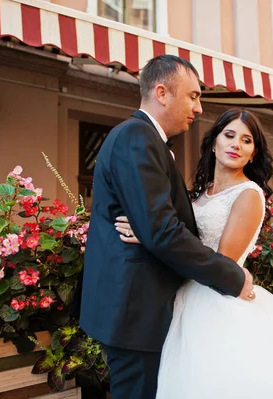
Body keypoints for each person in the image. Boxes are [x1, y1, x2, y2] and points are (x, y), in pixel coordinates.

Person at [116, 109, 273, 398]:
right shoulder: (201, 192)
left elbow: (221, 262)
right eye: (229, 135)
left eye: (246, 140)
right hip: (183, 295)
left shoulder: (248, 195)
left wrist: (153, 239)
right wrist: (153, 231)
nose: (236, 144)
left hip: (217, 299)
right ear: (213, 142)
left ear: (253, 154)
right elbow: (180, 236)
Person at [74, 55, 256, 399]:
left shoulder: (144, 139)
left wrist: (149, 229)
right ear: (161, 92)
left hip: (143, 308)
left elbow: (155, 227)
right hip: (136, 312)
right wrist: (232, 276)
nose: (199, 108)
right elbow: (162, 231)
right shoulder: (137, 138)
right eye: (193, 96)